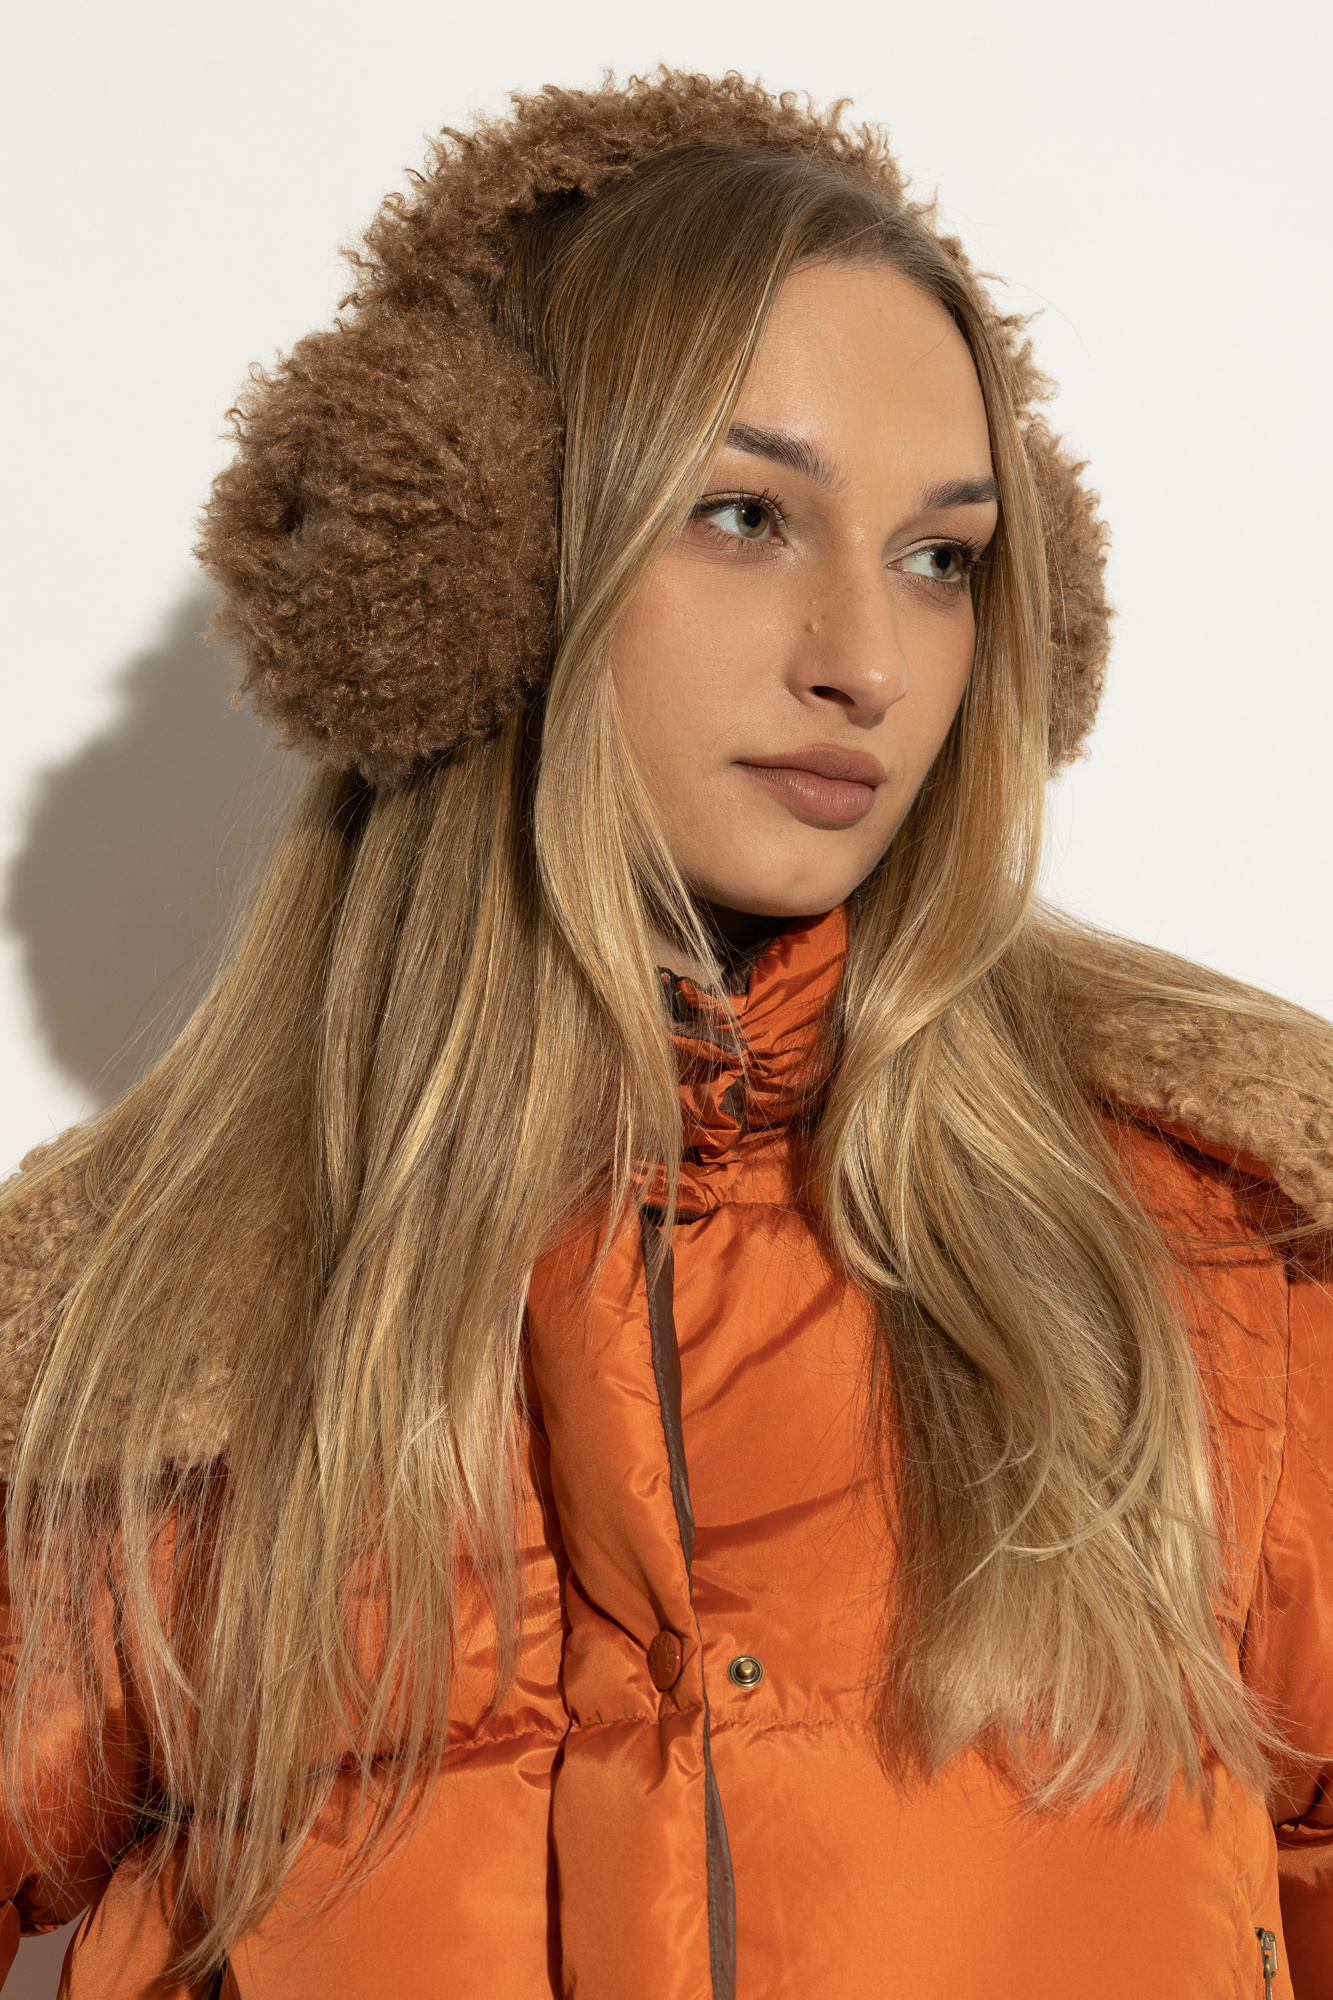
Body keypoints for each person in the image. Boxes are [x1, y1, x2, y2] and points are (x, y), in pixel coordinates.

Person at [0, 68, 1329, 2000]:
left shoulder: (1221, 1256)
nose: (863, 662)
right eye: (744, 515)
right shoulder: (153, 1333)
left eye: (941, 558)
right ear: (479, 566)